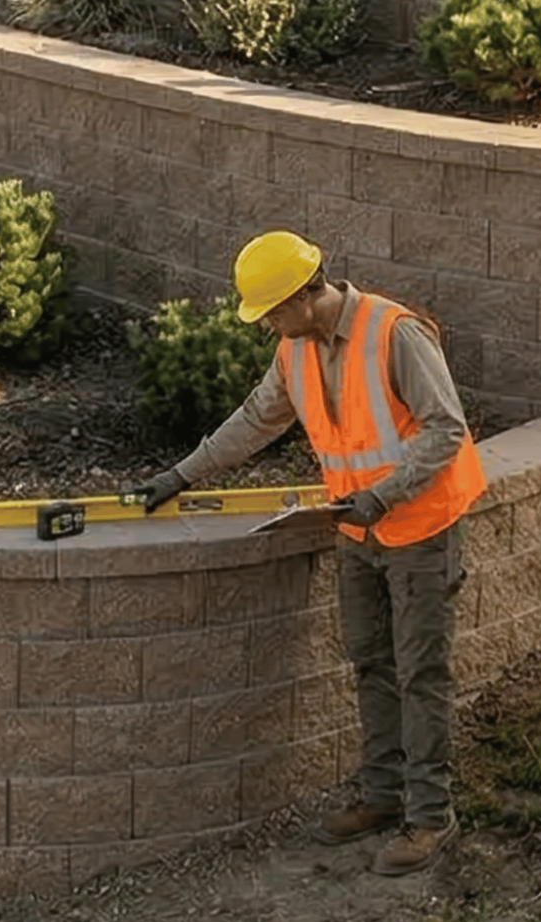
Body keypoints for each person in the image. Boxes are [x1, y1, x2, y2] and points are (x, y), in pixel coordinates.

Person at [133, 230, 486, 877]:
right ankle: (382, 798)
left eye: (270, 310)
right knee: (372, 664)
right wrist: (181, 475)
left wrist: (381, 496)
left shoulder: (395, 333)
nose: (266, 323)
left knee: (421, 673)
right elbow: (255, 418)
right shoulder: (295, 350)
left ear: (304, 294)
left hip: (420, 529)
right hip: (357, 531)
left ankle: (431, 816)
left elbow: (447, 428)